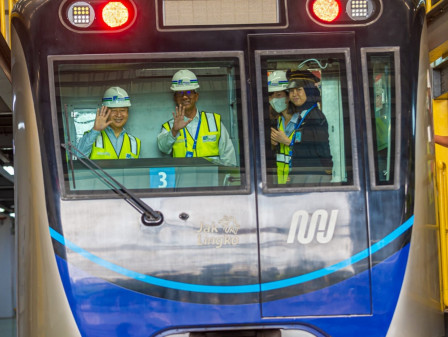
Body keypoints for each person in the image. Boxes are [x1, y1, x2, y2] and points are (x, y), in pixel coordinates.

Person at [157, 69, 237, 166]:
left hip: (211, 180)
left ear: (196, 96)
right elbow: (163, 148)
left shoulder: (214, 122)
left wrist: (225, 179)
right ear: (175, 98)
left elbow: (228, 157)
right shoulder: (170, 126)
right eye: (180, 93)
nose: (185, 97)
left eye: (189, 92)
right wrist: (174, 131)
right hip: (184, 180)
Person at [286, 70, 333, 183]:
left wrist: (327, 172)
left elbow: (323, 149)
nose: (294, 94)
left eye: (299, 90)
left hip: (312, 178)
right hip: (302, 177)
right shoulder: (302, 116)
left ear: (309, 91)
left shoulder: (315, 116)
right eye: (291, 90)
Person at [77, 87, 141, 159]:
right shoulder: (91, 137)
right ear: (105, 111)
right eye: (114, 110)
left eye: (122, 110)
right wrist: (95, 130)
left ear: (127, 112)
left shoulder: (135, 142)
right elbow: (78, 156)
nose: (119, 115)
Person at [268, 70, 299, 184]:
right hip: (282, 183)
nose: (274, 99)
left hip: (298, 182)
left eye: (278, 94)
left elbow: (310, 152)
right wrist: (273, 144)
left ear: (288, 96)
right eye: (271, 95)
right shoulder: (278, 122)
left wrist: (287, 141)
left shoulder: (301, 121)